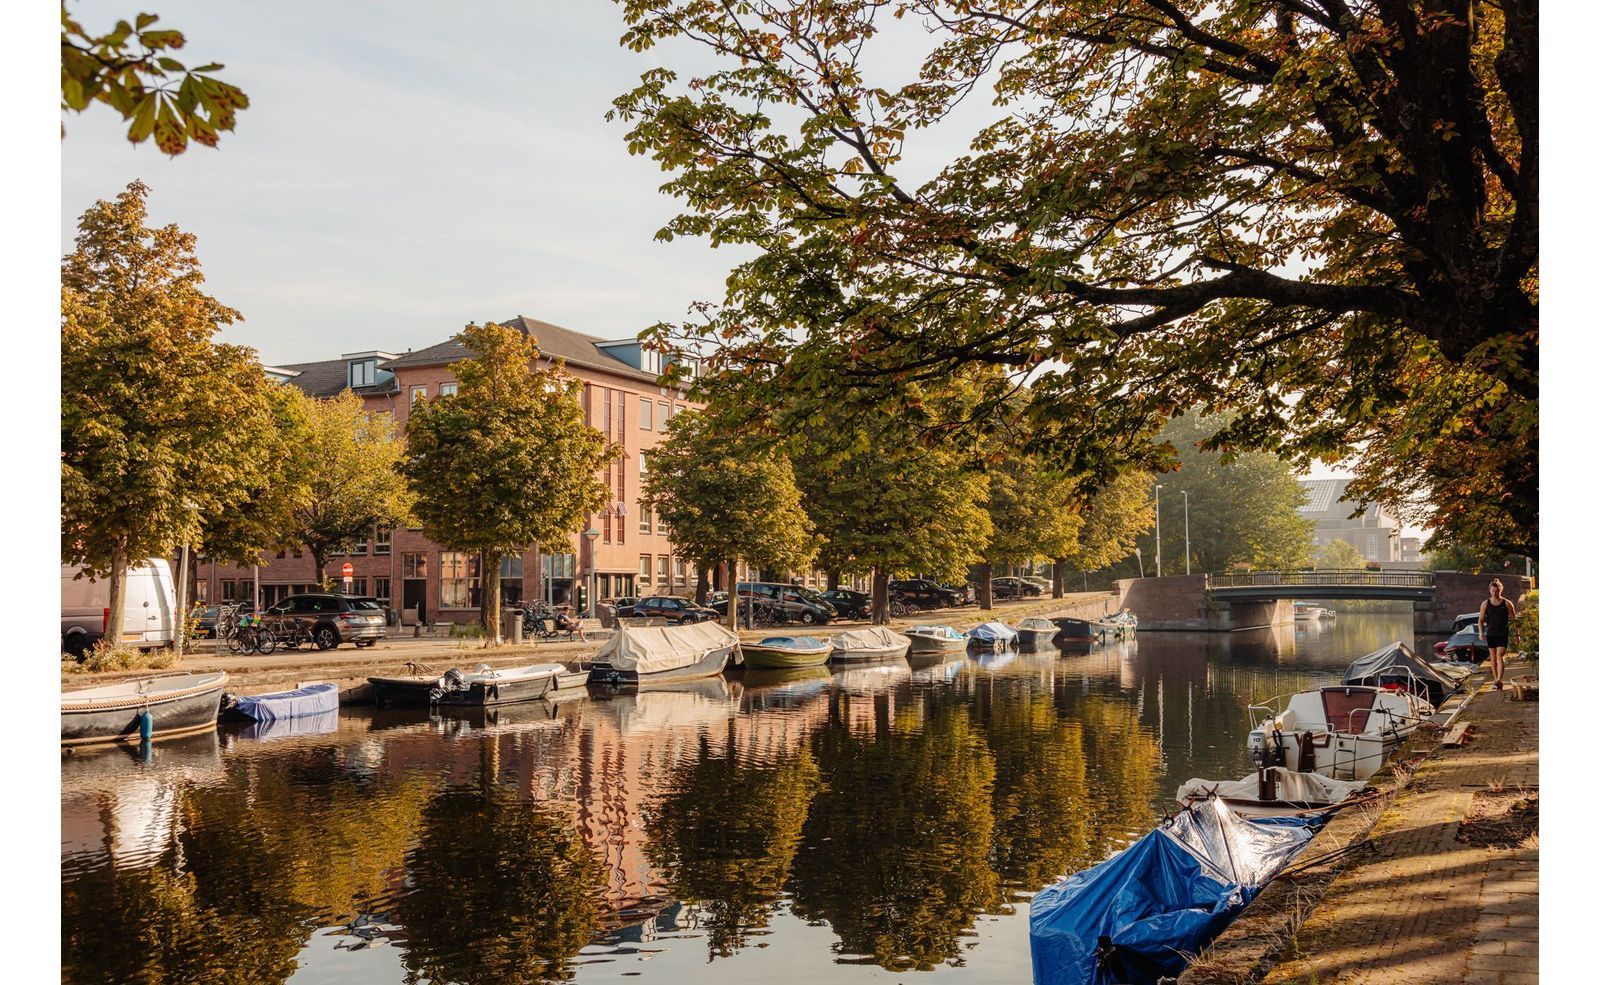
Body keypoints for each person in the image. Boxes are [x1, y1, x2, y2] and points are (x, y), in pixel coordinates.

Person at [1478, 578, 1517, 690]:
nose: (1495, 593)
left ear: (1501, 590)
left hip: (1502, 633)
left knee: (1500, 656)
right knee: (1493, 658)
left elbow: (1514, 620)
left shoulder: (1507, 603)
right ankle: (1496, 680)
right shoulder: (1485, 604)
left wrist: (1516, 634)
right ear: (1490, 590)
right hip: (1491, 634)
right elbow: (1480, 620)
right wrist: (1480, 632)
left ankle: (1499, 679)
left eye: (1497, 591)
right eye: (1493, 591)